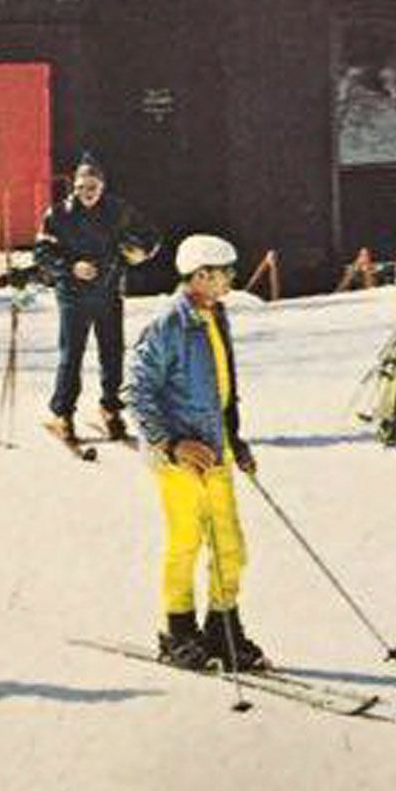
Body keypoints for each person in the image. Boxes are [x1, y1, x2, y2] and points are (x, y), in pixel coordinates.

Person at [125, 233, 266, 672]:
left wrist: (235, 439)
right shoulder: (169, 323)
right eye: (225, 273)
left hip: (216, 451)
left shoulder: (215, 316)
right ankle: (179, 631)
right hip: (178, 459)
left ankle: (223, 629)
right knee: (186, 541)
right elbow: (137, 391)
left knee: (230, 546)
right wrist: (171, 443)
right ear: (201, 275)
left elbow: (222, 390)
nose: (230, 280)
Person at [33, 153, 159, 445]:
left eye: (92, 188)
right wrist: (71, 267)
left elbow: (151, 236)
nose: (86, 194)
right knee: (71, 355)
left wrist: (139, 253)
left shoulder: (118, 210)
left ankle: (110, 408)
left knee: (112, 352)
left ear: (102, 187)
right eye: (81, 188)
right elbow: (42, 253)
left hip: (108, 291)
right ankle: (62, 413)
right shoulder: (58, 214)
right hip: (73, 294)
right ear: (74, 186)